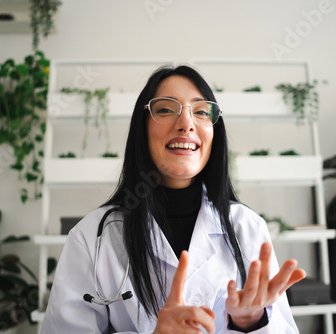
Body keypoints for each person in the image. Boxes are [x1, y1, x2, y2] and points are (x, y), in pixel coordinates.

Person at [41, 65, 306, 333]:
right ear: (141, 127)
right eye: (166, 110)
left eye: (201, 111)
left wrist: (250, 321)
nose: (186, 124)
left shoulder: (246, 227)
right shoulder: (92, 237)